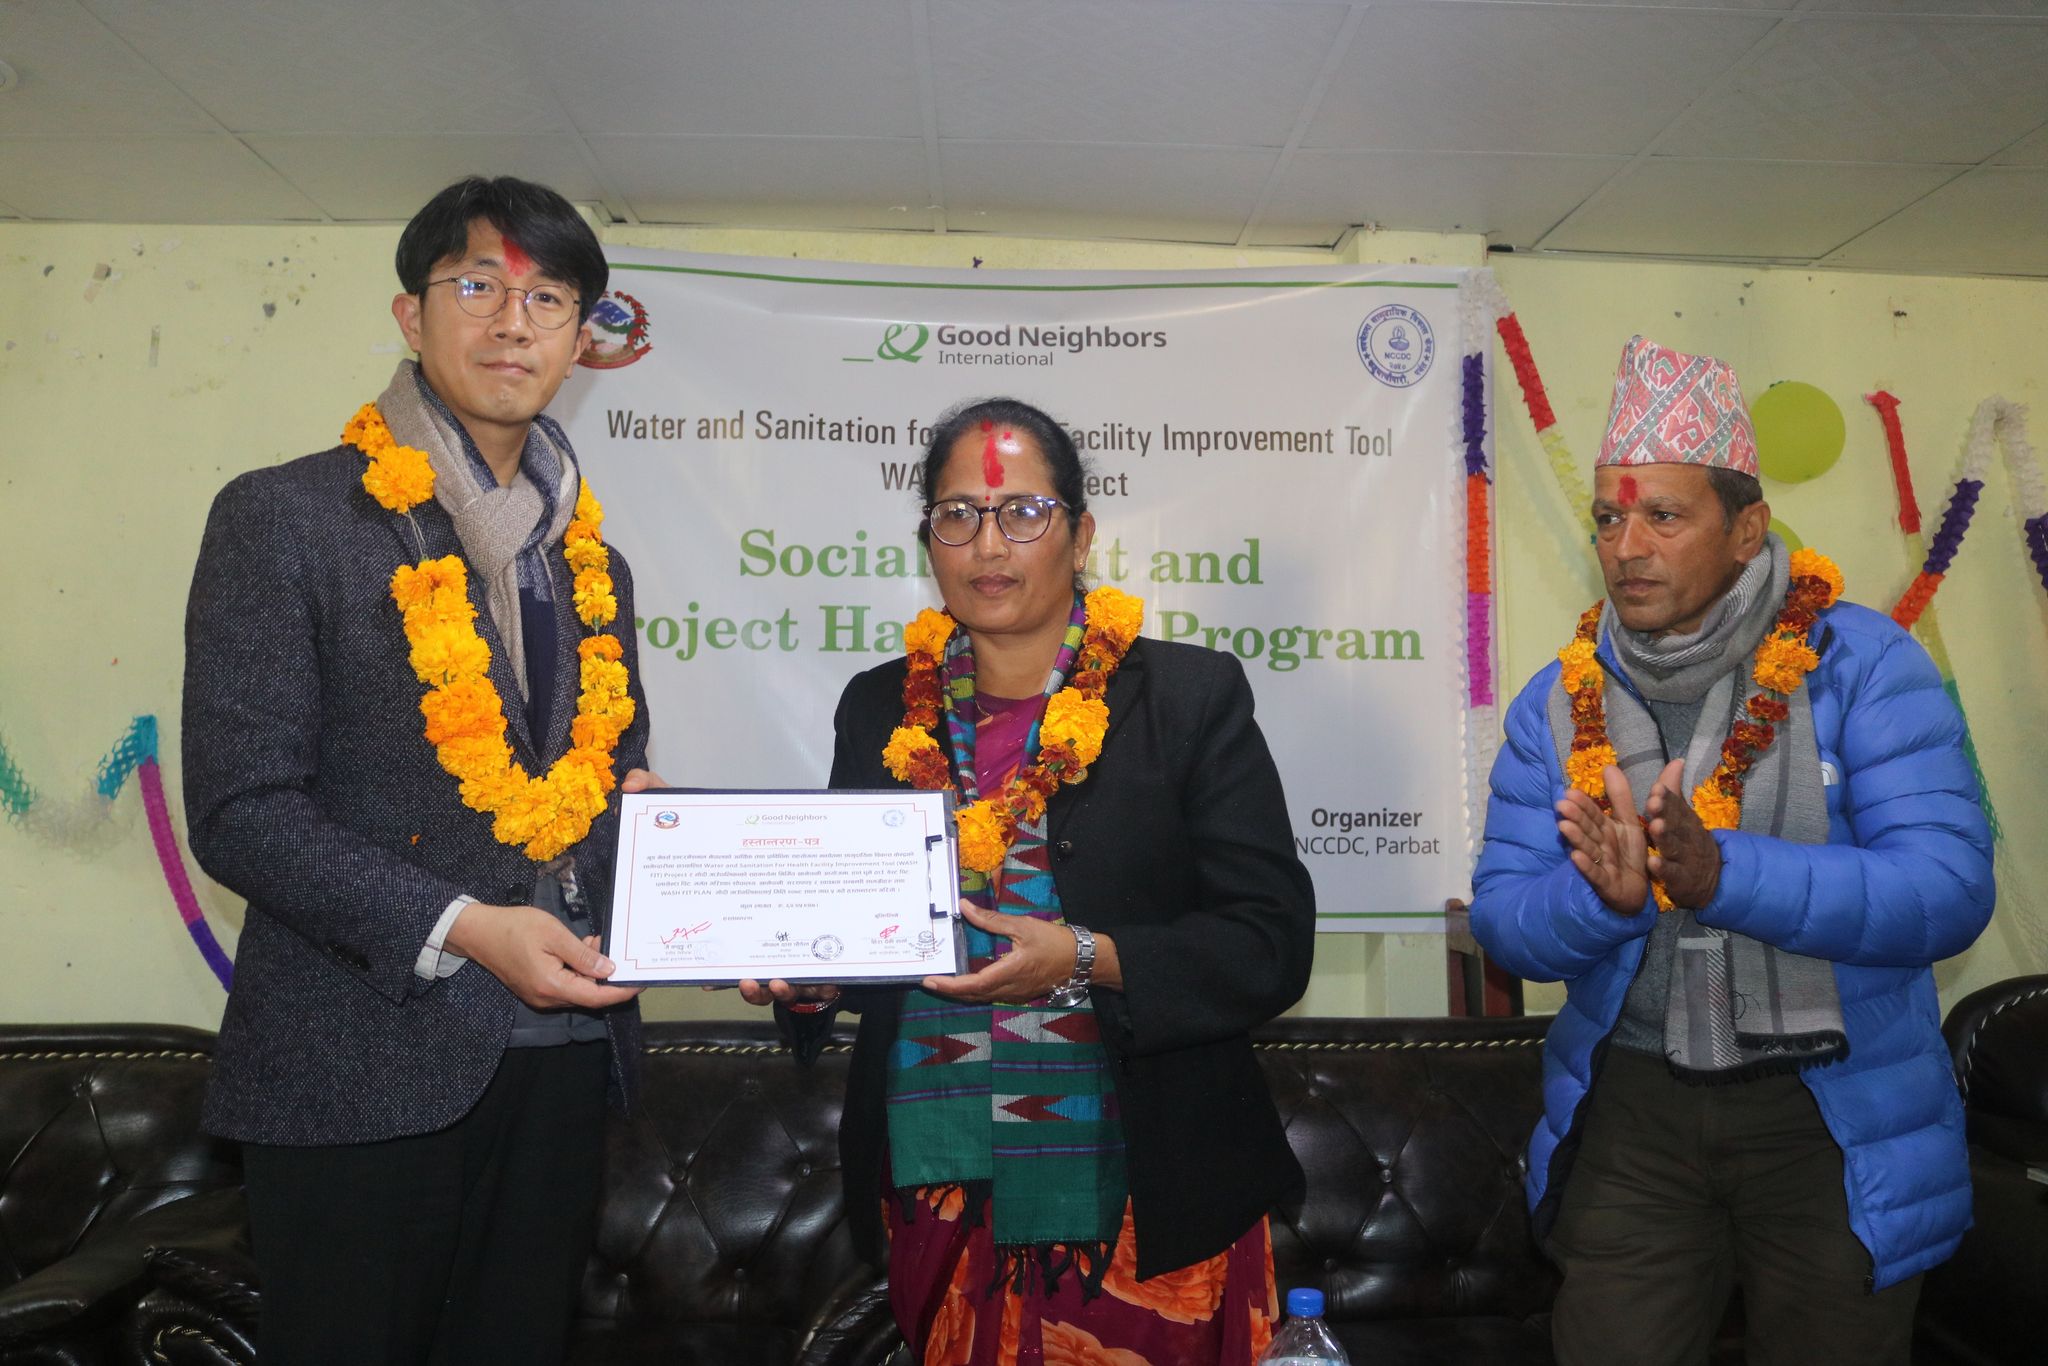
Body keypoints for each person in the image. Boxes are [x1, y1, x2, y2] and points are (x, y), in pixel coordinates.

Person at [182, 176, 659, 1365]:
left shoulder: (593, 564)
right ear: (410, 313)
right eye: (477, 285)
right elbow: (242, 808)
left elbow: (606, 784)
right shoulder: (286, 517)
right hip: (357, 1065)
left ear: (579, 339)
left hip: (561, 1071)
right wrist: (463, 925)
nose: (511, 323)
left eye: (547, 298)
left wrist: (708, 892)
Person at [758, 397, 1316, 1365]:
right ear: (927, 538)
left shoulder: (1186, 698)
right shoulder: (879, 706)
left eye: (1022, 512)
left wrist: (1086, 957)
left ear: (1081, 534)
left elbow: (1269, 942)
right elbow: (861, 922)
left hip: (1150, 1185)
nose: (988, 544)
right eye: (957, 514)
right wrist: (813, 978)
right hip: (936, 1180)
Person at [1471, 336, 1995, 1366]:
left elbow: (1947, 890)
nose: (1627, 546)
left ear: (1746, 528)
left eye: (1662, 517)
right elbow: (1504, 918)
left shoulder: (1859, 664)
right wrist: (1604, 899)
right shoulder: (1559, 697)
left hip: (1834, 1109)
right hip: (1635, 1111)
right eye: (1609, 519)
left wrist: (1724, 874)